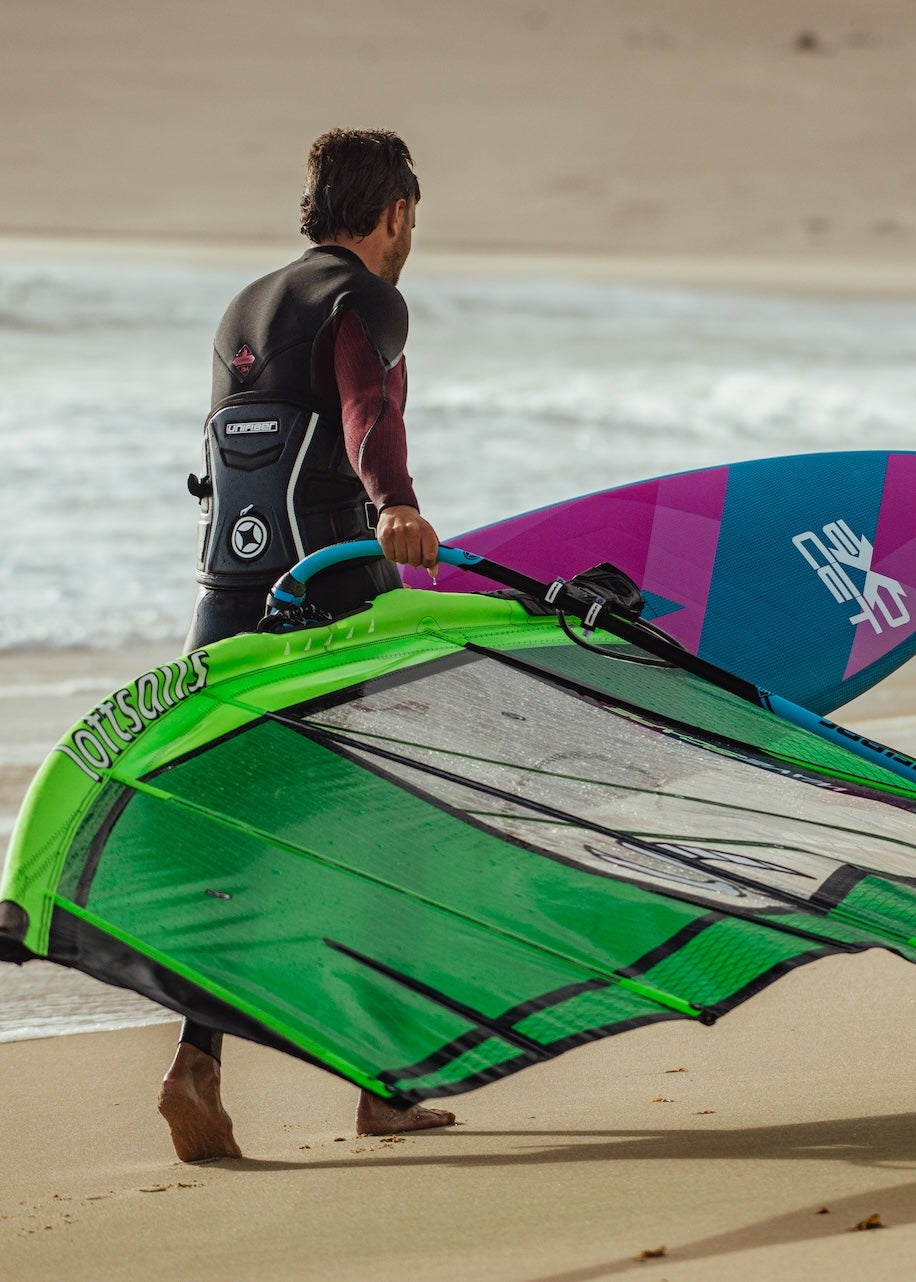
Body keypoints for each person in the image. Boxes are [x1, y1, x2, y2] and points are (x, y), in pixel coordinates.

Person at [157, 128, 455, 1162]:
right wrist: (397, 504)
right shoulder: (362, 298)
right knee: (392, 819)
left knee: (239, 832)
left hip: (224, 599)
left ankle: (197, 1060)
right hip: (324, 592)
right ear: (391, 215)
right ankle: (382, 1084)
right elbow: (366, 404)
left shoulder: (245, 305)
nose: (409, 238)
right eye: (410, 220)